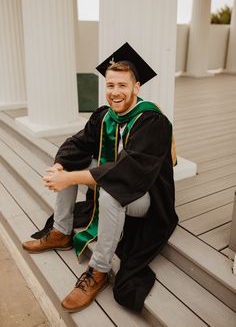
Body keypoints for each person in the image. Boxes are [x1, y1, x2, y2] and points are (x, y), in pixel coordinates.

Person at [22, 42, 178, 313]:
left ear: (137, 88)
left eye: (122, 86)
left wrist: (72, 179)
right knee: (72, 162)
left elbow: (127, 174)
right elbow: (78, 143)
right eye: (110, 85)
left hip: (146, 197)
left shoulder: (153, 122)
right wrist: (61, 167)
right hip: (116, 183)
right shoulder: (104, 116)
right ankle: (60, 231)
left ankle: (100, 270)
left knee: (109, 193)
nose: (115, 92)